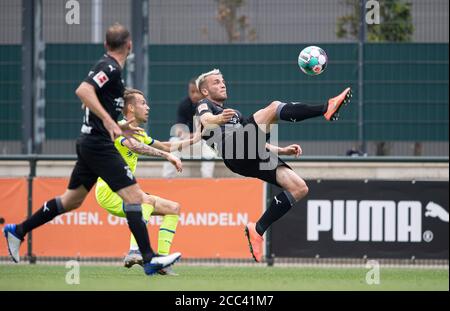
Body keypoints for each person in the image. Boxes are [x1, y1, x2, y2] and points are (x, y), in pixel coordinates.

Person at [3, 24, 180, 275]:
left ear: (106, 44)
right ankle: (148, 258)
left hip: (92, 142)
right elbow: (83, 91)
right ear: (129, 45)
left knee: (70, 201)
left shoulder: (115, 74)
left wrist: (115, 125)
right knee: (136, 198)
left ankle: (18, 231)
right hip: (98, 144)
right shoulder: (108, 66)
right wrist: (107, 122)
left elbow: (91, 104)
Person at [195, 69, 352, 262]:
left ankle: (257, 229)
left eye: (223, 81)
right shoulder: (205, 104)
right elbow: (204, 119)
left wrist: (282, 150)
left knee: (298, 187)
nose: (222, 84)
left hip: (250, 154)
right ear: (204, 91)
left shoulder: (235, 113)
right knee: (274, 107)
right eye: (216, 82)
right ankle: (325, 108)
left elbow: (254, 138)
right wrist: (217, 119)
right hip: (233, 152)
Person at [95, 88, 197, 275]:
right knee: (145, 200)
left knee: (173, 208)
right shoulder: (119, 127)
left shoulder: (139, 132)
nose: (148, 107)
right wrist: (166, 155)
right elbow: (136, 147)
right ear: (131, 108)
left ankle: (162, 263)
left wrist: (197, 138)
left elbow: (167, 145)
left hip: (124, 189)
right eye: (143, 103)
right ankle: (135, 251)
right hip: (109, 190)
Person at [162, 79, 217, 178]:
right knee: (173, 141)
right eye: (192, 92)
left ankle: (207, 179)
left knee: (209, 145)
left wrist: (191, 135)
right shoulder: (184, 104)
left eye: (197, 92)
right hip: (191, 142)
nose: (194, 95)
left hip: (205, 143)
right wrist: (182, 134)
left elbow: (208, 132)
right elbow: (179, 126)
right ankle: (167, 179)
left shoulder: (212, 105)